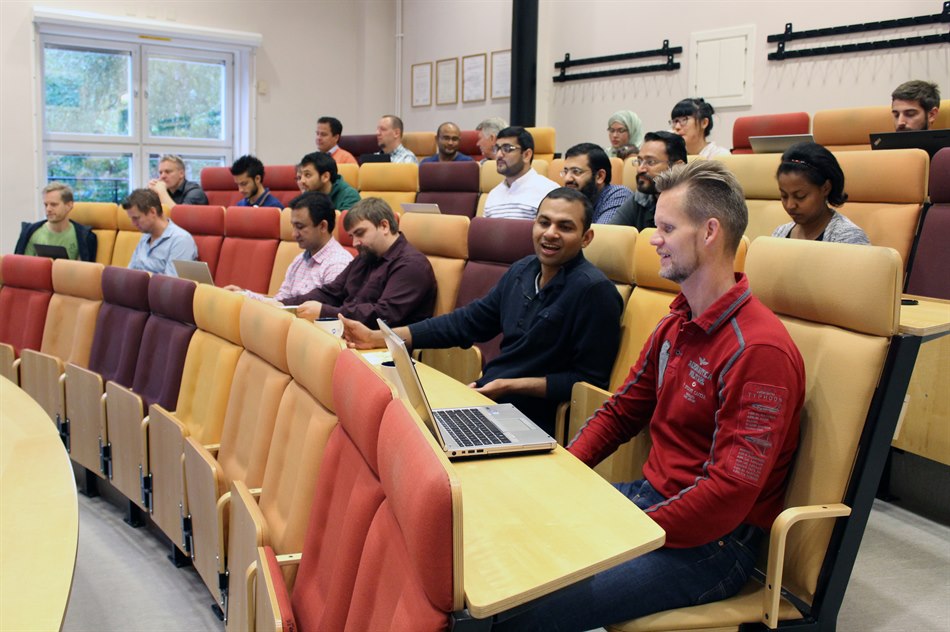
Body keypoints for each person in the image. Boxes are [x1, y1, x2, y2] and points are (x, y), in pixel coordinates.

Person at [492, 160, 806, 632]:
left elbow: (727, 495)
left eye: (666, 228)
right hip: (651, 500)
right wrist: (562, 476)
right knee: (504, 546)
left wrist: (630, 527)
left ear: (710, 232)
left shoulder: (759, 351)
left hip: (713, 544)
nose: (653, 239)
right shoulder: (677, 321)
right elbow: (620, 413)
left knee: (520, 610)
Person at [342, 187, 622, 435]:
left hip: (535, 423)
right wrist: (382, 337)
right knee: (393, 423)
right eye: (544, 222)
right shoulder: (523, 270)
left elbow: (587, 384)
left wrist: (510, 385)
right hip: (488, 401)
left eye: (565, 227)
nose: (550, 233)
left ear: (586, 238)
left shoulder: (595, 291)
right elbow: (465, 322)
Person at [281, 197, 435, 327]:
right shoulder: (366, 256)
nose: (355, 243)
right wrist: (283, 305)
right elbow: (331, 292)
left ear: (384, 226)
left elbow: (383, 316)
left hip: (383, 348)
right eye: (352, 236)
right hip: (351, 336)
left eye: (360, 233)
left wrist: (325, 312)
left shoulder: (412, 265)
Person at [225, 191, 352, 301]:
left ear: (323, 226)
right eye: (293, 226)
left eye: (300, 227)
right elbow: (280, 302)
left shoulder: (338, 265)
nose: (294, 234)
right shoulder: (299, 260)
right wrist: (244, 295)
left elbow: (325, 313)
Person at [772, 142, 869, 245]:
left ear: (826, 188)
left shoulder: (848, 238)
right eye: (784, 196)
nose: (790, 205)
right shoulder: (780, 233)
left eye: (800, 196)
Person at [609, 131, 687, 230]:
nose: (640, 169)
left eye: (650, 162)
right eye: (639, 161)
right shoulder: (641, 198)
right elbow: (612, 233)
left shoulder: (696, 203)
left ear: (677, 167)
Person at [483, 126, 559, 220]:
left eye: (507, 148)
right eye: (497, 148)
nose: (499, 155)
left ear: (526, 155)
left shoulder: (549, 191)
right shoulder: (493, 194)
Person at [123, 188, 198, 276]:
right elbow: (130, 272)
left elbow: (171, 281)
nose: (133, 223)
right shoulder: (145, 236)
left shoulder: (181, 240)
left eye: (136, 218)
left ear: (152, 212)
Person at [15, 182, 97, 262]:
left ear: (69, 205)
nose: (48, 209)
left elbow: (84, 269)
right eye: (46, 205)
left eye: (54, 204)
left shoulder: (84, 237)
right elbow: (23, 267)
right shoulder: (31, 233)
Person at [561, 142, 632, 224]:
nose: (567, 178)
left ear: (600, 176)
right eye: (565, 172)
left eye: (576, 171)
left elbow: (602, 232)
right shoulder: (567, 198)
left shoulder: (618, 195)